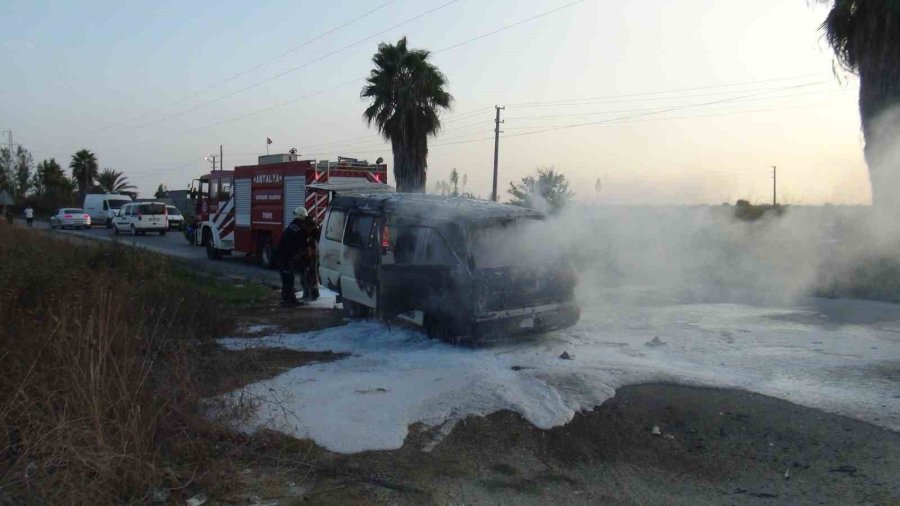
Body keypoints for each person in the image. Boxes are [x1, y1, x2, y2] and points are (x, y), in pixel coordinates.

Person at [274, 206, 314, 307]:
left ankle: (289, 299)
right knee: (288, 278)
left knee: (288, 278)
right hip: (285, 257)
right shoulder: (298, 231)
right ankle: (288, 300)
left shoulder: (293, 226)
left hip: (283, 256)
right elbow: (303, 245)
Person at [301, 218, 322, 301]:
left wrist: (313, 251)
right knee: (306, 275)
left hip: (313, 256)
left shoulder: (316, 233)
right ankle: (307, 293)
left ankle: (314, 293)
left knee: (312, 275)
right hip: (306, 255)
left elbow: (319, 244)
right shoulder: (304, 232)